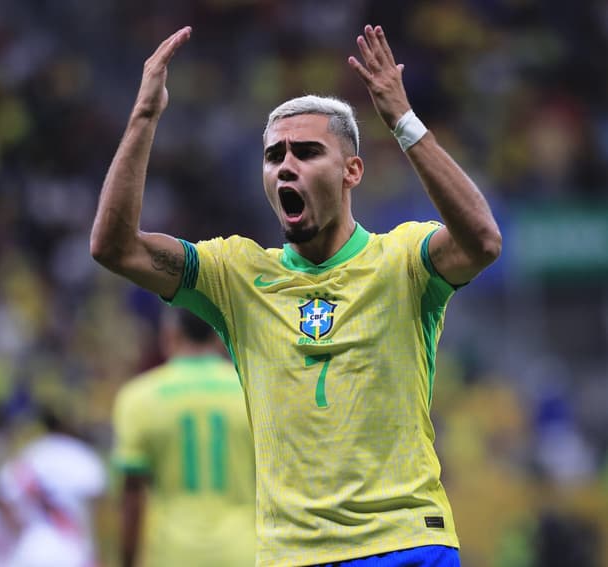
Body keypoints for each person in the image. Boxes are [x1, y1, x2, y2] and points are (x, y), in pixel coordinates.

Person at [91, 22, 501, 567]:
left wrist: (403, 122)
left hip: (403, 543)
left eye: (307, 152)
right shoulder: (234, 276)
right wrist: (144, 118)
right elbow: (114, 247)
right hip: (292, 555)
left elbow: (482, 240)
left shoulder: (403, 260)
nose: (286, 164)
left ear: (352, 170)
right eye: (274, 155)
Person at [111, 306, 256, 567]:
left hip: (170, 555)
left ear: (170, 335)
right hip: (245, 552)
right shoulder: (252, 394)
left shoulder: (138, 397)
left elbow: (132, 500)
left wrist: (126, 560)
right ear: (220, 336)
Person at [0, 406, 107, 567]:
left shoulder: (31, 454)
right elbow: (98, 511)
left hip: (31, 549)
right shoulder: (82, 455)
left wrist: (17, 526)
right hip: (72, 549)